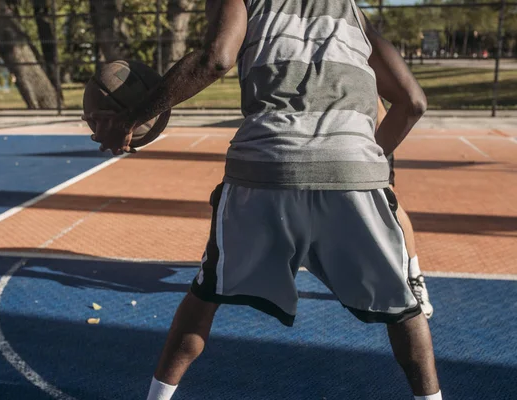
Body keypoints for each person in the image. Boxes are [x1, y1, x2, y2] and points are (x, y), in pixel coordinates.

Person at [84, 0, 442, 399]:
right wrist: (366, 161)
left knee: (204, 298)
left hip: (265, 165)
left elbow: (217, 58)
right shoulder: (351, 11)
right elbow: (413, 102)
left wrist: (132, 117)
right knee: (405, 312)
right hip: (353, 167)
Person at [376, 98, 434, 319]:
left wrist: (375, 153)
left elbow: (383, 119)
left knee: (390, 203)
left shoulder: (362, 66)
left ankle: (414, 278)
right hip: (333, 146)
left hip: (372, 145)